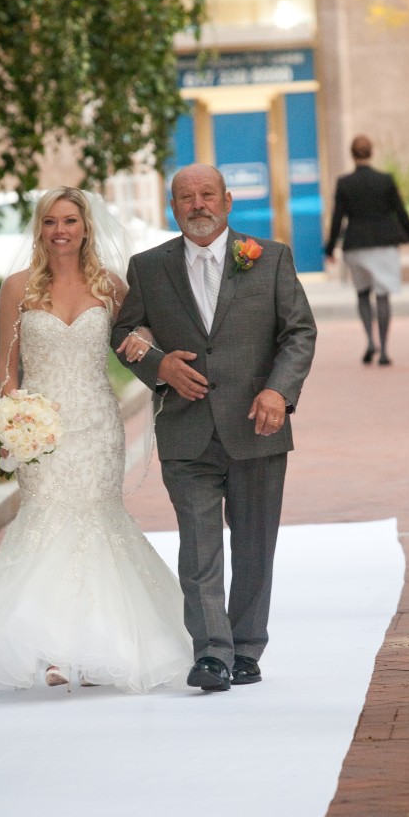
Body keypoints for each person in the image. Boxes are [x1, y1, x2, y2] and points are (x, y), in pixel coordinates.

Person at [0, 187, 192, 693]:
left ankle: (97, 645)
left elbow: (140, 338)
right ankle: (49, 650)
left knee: (96, 521)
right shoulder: (18, 287)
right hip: (40, 429)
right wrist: (13, 426)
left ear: (86, 226)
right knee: (46, 523)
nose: (60, 231)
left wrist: (145, 342)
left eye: (69, 221)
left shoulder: (110, 286)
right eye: (50, 222)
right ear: (39, 229)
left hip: (96, 426)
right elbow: (7, 369)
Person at [112, 163, 317, 692]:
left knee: (253, 543)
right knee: (198, 547)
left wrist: (279, 391)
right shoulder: (148, 267)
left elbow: (298, 332)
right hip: (186, 430)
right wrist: (158, 365)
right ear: (172, 207)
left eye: (207, 195)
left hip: (257, 424)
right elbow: (125, 331)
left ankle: (247, 646)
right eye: (186, 197)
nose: (197, 205)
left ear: (227, 202)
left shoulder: (269, 258)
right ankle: (211, 654)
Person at [325, 134, 409, 366]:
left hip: (355, 245)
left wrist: (330, 249)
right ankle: (385, 350)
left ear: (352, 154)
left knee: (362, 293)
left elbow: (337, 218)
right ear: (371, 152)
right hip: (384, 244)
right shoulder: (385, 180)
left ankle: (370, 339)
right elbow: (401, 213)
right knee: (382, 296)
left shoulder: (344, 183)